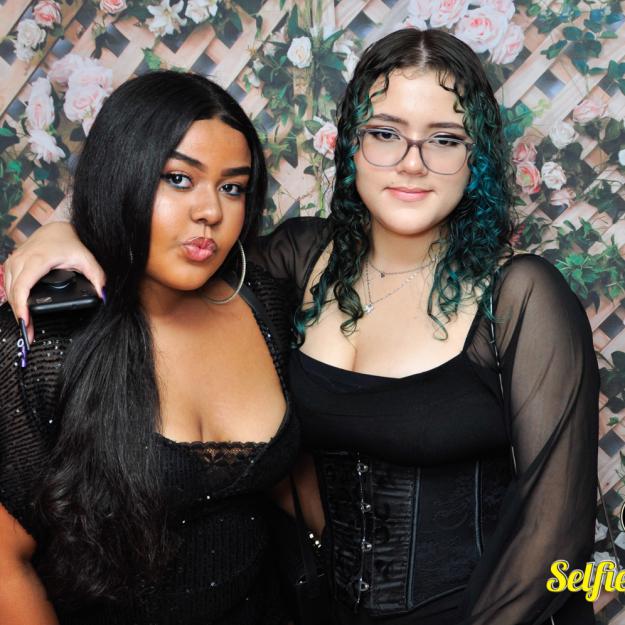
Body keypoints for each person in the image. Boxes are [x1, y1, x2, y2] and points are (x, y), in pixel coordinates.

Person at [3, 29, 599, 625]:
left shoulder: (520, 295)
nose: (412, 163)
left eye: (445, 139)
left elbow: (557, 531)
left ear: (477, 157)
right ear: (352, 144)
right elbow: (168, 239)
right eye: (385, 133)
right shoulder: (301, 262)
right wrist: (61, 233)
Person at [0, 70, 298, 624]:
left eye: (232, 187)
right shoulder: (48, 342)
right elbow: (4, 565)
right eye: (179, 179)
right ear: (123, 174)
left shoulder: (263, 302)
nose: (210, 211)